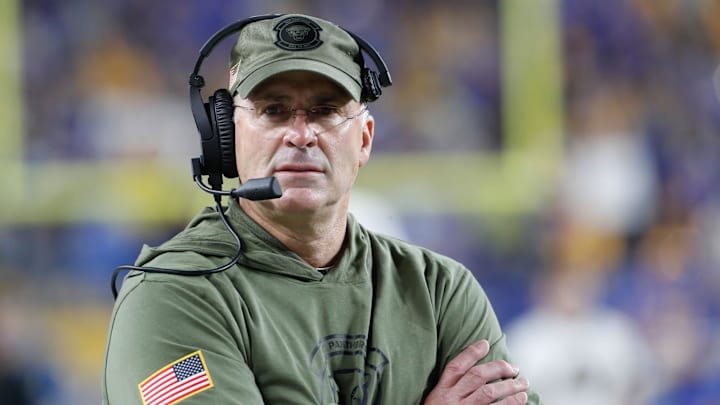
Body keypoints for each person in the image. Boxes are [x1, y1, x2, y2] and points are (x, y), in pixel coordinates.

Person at [102, 13, 540, 405]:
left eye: (326, 111)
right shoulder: (170, 299)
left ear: (364, 140)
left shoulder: (439, 291)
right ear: (228, 138)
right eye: (273, 111)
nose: (301, 134)